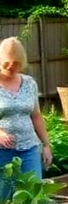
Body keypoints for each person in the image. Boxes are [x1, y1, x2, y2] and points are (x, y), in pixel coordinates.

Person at [0, 36, 52, 184]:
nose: (11, 67)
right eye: (6, 63)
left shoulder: (29, 83)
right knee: (5, 198)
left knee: (32, 192)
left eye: (16, 63)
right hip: (2, 152)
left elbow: (36, 116)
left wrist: (46, 145)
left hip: (29, 148)